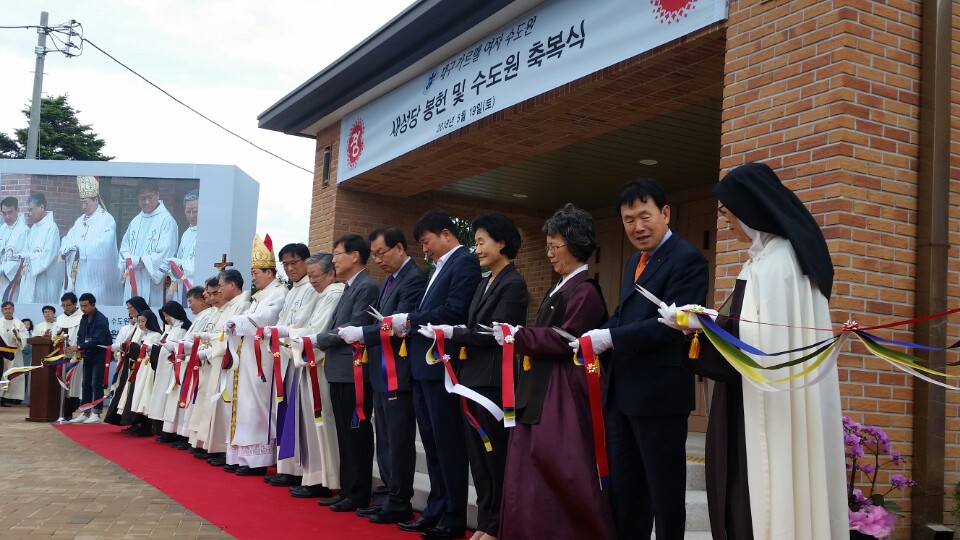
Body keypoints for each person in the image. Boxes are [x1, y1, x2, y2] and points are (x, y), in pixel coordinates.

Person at [659, 162, 846, 540]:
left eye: (728, 214)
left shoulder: (777, 264)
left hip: (762, 403)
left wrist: (701, 325)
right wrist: (709, 321)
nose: (726, 223)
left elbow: (760, 347)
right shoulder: (770, 261)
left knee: (755, 488)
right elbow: (758, 333)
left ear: (749, 211)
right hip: (748, 396)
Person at [576, 179, 709, 540]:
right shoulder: (636, 259)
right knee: (625, 490)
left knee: (664, 494)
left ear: (665, 213)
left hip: (659, 396)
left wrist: (610, 338)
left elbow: (671, 326)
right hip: (622, 394)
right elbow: (625, 314)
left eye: (644, 216)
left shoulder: (688, 259)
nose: (637, 227)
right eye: (628, 219)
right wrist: (594, 334)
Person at [493, 204, 614, 539]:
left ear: (574, 245)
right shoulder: (560, 286)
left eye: (553, 246)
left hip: (561, 397)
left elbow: (566, 339)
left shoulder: (585, 290)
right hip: (541, 390)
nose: (549, 253)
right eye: (547, 246)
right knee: (530, 473)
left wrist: (518, 335)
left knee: (559, 474)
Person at [431, 213, 528, 540]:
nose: (478, 248)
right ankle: (486, 522)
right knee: (479, 458)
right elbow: (475, 327)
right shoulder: (485, 281)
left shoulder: (514, 283)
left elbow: (494, 332)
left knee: (494, 455)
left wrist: (455, 333)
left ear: (502, 243)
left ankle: (498, 525)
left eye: (483, 241)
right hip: (469, 376)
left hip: (492, 382)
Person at [389, 210, 481, 539]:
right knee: (431, 442)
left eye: (426, 242)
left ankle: (454, 512)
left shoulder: (464, 262)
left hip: (442, 365)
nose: (424, 250)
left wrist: (410, 320)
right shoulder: (437, 268)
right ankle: (436, 505)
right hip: (422, 367)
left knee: (448, 443)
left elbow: (455, 309)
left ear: (445, 233)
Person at [338, 226, 427, 523]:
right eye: (374, 254)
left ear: (400, 248)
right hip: (381, 370)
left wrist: (363, 332)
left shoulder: (413, 279)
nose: (377, 260)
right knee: (385, 439)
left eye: (381, 253)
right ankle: (388, 493)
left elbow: (400, 325)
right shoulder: (391, 279)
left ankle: (399, 500)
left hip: (398, 373)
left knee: (399, 440)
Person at [311, 234, 378, 512]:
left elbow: (356, 325)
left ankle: (360, 492)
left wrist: (321, 339)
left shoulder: (367, 286)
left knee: (356, 433)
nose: (335, 259)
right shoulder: (349, 286)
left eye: (338, 254)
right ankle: (348, 488)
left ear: (355, 256)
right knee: (343, 434)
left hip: (355, 371)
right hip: (339, 369)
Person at [277, 253, 343, 497]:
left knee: (321, 422)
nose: (312, 281)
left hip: (321, 367)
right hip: (308, 363)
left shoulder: (334, 294)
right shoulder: (322, 293)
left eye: (316, 276)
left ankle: (326, 479)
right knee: (310, 423)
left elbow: (318, 331)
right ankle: (314, 476)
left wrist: (286, 336)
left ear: (330, 274)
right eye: (311, 276)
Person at [222, 235, 287, 475]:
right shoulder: (258, 296)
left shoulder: (278, 293)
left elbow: (267, 319)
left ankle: (258, 460)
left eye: (256, 271)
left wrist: (237, 321)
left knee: (256, 407)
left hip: (263, 360)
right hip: (247, 357)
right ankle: (241, 456)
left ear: (270, 273)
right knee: (243, 405)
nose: (253, 276)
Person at [190, 270, 250, 464]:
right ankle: (212, 446)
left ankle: (223, 450)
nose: (217, 294)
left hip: (229, 362)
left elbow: (231, 337)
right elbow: (217, 333)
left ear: (232, 285)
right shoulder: (224, 308)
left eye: (220, 288)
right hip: (215, 359)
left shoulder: (243, 305)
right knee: (212, 406)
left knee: (223, 407)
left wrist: (208, 351)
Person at [163, 286, 214, 448]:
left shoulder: (207, 316)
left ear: (201, 300)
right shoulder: (201, 316)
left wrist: (181, 346)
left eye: (191, 301)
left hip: (198, 362)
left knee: (191, 401)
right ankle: (183, 435)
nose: (189, 305)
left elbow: (198, 341)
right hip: (187, 361)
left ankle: (187, 437)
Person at [59, 176, 122, 305]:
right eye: (81, 202)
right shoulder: (80, 220)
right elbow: (68, 238)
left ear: (96, 200)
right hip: (79, 273)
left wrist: (80, 247)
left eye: (86, 202)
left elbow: (104, 246)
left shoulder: (107, 220)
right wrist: (66, 247)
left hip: (97, 277)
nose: (83, 206)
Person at [117, 179, 179, 307]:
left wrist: (141, 261)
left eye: (150, 197)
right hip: (133, 277)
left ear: (157, 194)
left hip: (152, 283)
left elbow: (166, 252)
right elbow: (124, 249)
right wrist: (130, 261)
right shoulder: (135, 222)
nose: (146, 202)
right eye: (142, 198)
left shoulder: (167, 221)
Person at [66, 293, 113, 424]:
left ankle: (97, 413)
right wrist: (80, 348)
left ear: (93, 304)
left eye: (85, 306)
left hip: (100, 354)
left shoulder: (101, 319)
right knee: (85, 383)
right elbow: (81, 335)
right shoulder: (84, 318)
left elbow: (97, 339)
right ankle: (85, 412)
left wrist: (79, 347)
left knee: (96, 383)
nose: (83, 308)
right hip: (87, 354)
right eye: (81, 306)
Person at [104, 296, 150, 426]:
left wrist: (125, 346)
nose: (129, 311)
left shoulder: (146, 320)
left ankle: (138, 422)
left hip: (140, 362)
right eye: (128, 308)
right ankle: (130, 421)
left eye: (131, 308)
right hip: (130, 362)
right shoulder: (136, 324)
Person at [148, 300, 192, 439]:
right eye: (164, 316)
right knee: (162, 400)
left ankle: (170, 432)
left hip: (173, 372)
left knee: (170, 402)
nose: (166, 319)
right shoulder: (170, 330)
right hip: (163, 370)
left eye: (168, 315)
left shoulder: (182, 330)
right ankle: (163, 430)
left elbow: (180, 349)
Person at [119, 309, 163, 435]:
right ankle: (138, 423)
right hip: (141, 368)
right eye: (139, 322)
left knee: (146, 396)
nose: (141, 324)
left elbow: (155, 352)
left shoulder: (156, 335)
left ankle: (146, 426)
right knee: (139, 395)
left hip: (149, 368)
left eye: (143, 321)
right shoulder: (145, 335)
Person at [17, 192, 61, 304]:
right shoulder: (33, 229)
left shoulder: (52, 228)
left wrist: (29, 257)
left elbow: (48, 255)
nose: (29, 213)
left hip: (44, 281)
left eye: (31, 209)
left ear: (41, 207)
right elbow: (25, 250)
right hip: (29, 279)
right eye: (28, 210)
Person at [163, 189, 199, 303]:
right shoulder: (186, 233)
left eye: (195, 211)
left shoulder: (207, 234)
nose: (192, 215)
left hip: (196, 286)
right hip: (181, 287)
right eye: (188, 211)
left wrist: (180, 264)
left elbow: (200, 264)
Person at [56, 293, 84, 420]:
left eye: (68, 305)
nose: (65, 308)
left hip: (76, 355)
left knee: (74, 383)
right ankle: (61, 410)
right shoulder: (60, 318)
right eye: (63, 305)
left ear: (75, 304)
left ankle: (70, 410)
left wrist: (77, 346)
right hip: (61, 356)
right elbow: (56, 334)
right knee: (62, 381)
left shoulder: (82, 317)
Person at [0, 301, 28, 407]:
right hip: (1, 355)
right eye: (5, 309)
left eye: (10, 308)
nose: (8, 311)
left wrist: (18, 336)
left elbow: (24, 338)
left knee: (12, 375)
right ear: (2, 310)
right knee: (2, 374)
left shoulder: (19, 324)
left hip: (14, 354)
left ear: (13, 310)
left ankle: (9, 397)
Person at [0, 196, 28, 301]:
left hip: (11, 280)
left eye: (10, 212)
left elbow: (20, 259)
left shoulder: (24, 231)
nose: (7, 216)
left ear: (17, 210)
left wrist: (2, 270)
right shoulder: (2, 228)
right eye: (4, 213)